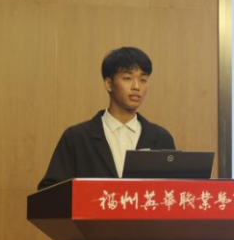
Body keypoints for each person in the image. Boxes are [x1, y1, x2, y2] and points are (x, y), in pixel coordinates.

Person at [38, 47, 175, 190]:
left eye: (143, 80)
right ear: (109, 84)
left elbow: (175, 191)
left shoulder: (161, 139)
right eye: (128, 78)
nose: (136, 86)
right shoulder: (77, 138)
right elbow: (49, 191)